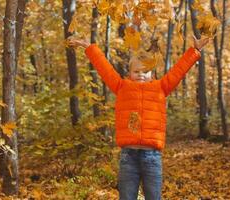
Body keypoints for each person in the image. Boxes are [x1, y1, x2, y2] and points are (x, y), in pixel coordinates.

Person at [67, 34, 209, 200]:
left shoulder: (161, 87)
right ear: (129, 72)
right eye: (136, 71)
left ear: (152, 72)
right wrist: (89, 48)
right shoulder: (121, 86)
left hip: (152, 157)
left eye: (146, 71)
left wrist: (195, 50)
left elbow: (179, 70)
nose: (141, 74)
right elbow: (105, 69)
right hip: (128, 157)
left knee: (154, 197)